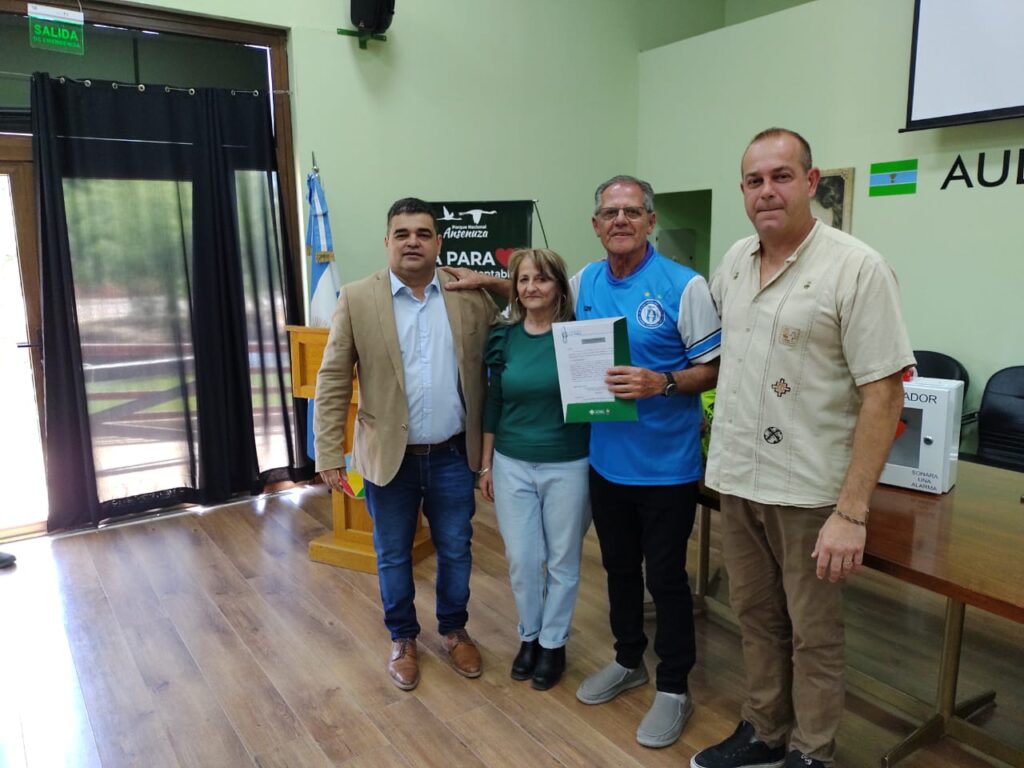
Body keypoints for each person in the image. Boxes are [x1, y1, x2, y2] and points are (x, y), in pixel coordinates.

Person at [447, 175, 721, 748]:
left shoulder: (685, 285)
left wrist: (663, 382)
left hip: (666, 467)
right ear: (596, 225)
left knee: (665, 578)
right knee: (617, 570)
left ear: (650, 221)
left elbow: (714, 368)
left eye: (632, 211)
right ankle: (628, 661)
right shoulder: (587, 282)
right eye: (609, 213)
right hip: (604, 461)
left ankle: (674, 687)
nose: (620, 220)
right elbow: (536, 291)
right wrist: (486, 281)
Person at [691, 128, 913, 768]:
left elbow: (884, 394)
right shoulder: (735, 261)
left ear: (811, 183)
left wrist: (851, 513)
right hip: (738, 477)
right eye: (754, 180)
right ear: (742, 191)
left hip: (811, 492)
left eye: (782, 176)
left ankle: (811, 751)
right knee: (755, 616)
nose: (767, 191)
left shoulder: (857, 268)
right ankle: (764, 729)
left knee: (813, 633)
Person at [314, 197, 497, 692]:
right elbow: (332, 380)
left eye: (423, 233)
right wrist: (328, 452)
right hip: (387, 458)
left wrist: (494, 282)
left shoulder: (468, 295)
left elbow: (520, 321)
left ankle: (454, 629)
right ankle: (402, 638)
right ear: (387, 242)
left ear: (439, 242)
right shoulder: (357, 298)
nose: (412, 242)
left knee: (456, 548)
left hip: (454, 455)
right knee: (392, 553)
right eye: (402, 234)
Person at [479, 248, 591, 692]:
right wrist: (485, 465)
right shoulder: (504, 337)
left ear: (559, 286)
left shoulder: (579, 335)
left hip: (569, 461)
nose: (531, 288)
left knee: (563, 559)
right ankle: (529, 634)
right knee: (523, 559)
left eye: (541, 279)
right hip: (511, 463)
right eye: (523, 280)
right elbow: (494, 402)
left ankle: (553, 643)